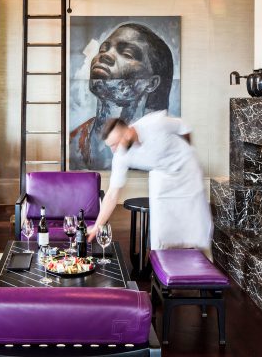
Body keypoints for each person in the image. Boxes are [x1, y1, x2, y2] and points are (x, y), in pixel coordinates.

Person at [87, 111, 213, 258]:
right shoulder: (121, 155)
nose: (114, 150)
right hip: (162, 177)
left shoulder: (154, 123)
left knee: (196, 227)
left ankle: (205, 261)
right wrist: (97, 226)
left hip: (187, 172)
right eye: (110, 146)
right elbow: (112, 194)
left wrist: (185, 152)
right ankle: (162, 269)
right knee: (161, 231)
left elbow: (183, 127)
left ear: (127, 132)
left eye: (115, 143)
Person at [70, 23, 174, 170]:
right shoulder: (72, 142)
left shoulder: (160, 139)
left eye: (127, 54)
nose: (105, 55)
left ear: (151, 83)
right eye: (103, 49)